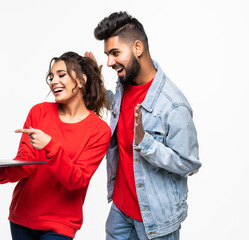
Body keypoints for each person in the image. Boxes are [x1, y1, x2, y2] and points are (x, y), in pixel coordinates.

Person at [0, 51, 111, 240]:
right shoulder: (39, 112)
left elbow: (77, 180)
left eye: (61, 75)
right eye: (51, 77)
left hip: (60, 226)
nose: (54, 81)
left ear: (81, 81)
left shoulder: (99, 130)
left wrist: (50, 145)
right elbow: (25, 165)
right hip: (22, 219)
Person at [86, 11, 202, 240]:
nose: (109, 62)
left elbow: (190, 163)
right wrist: (95, 82)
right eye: (107, 54)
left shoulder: (174, 105)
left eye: (115, 53)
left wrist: (145, 143)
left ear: (137, 48)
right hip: (120, 211)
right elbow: (115, 105)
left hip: (155, 221)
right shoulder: (125, 84)